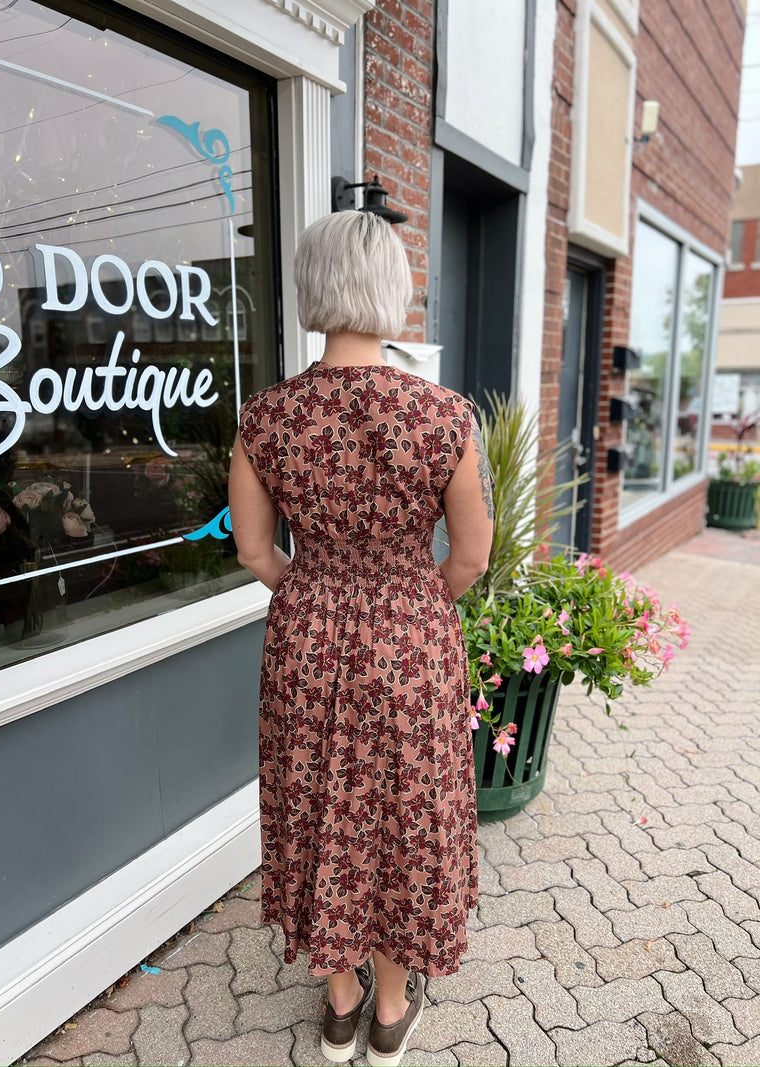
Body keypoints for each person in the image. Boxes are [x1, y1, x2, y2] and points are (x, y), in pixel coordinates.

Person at [228, 210, 493, 1067]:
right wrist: (410, 599)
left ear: (315, 287)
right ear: (392, 291)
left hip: (306, 643)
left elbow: (255, 549)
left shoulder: (266, 418)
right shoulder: (446, 416)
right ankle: (388, 1011)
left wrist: (312, 595)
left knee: (320, 809)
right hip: (412, 644)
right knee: (401, 818)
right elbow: (472, 554)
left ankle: (337, 1004)